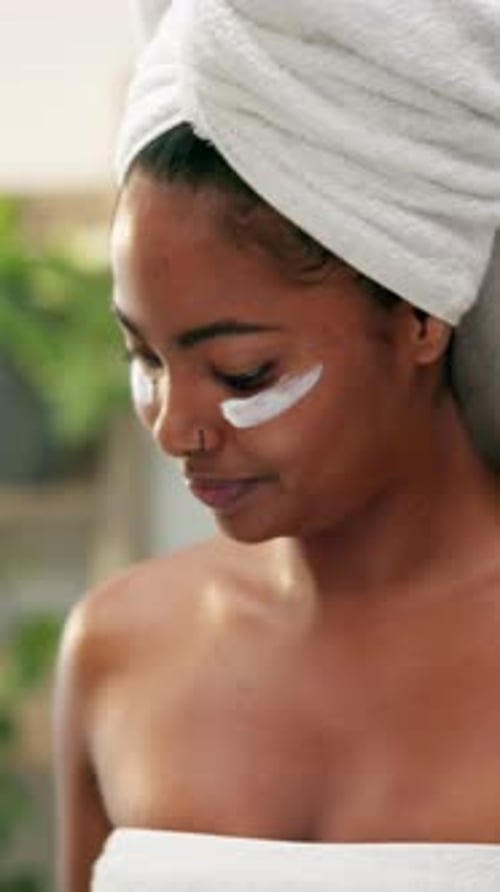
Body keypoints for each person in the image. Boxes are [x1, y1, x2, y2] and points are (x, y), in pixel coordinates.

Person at [54, 1, 500, 890]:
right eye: (144, 356)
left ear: (420, 317)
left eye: (244, 373)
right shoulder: (117, 647)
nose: (175, 429)